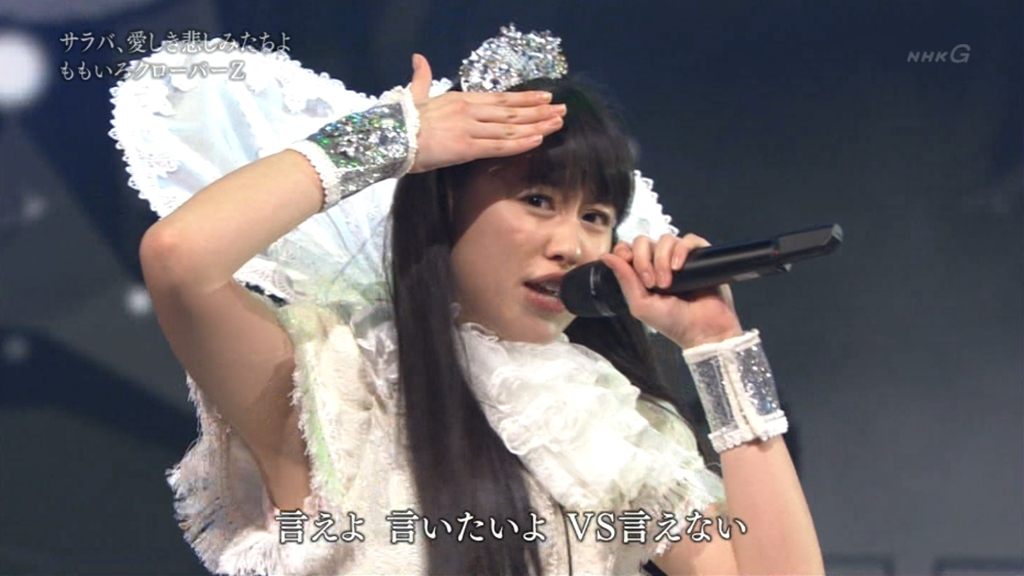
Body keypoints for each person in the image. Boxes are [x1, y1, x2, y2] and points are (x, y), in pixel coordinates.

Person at [112, 25, 824, 575]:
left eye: (595, 217)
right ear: (446, 207)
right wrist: (394, 139)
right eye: (538, 199)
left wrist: (717, 346)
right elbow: (181, 259)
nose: (571, 244)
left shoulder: (614, 423)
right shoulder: (335, 380)